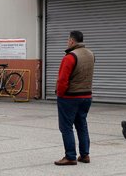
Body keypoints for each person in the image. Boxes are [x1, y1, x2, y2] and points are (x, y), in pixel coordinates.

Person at [54, 30, 95, 166]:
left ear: (71, 41)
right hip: (86, 96)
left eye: (68, 40)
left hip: (70, 97)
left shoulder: (70, 57)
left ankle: (70, 156)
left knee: (66, 127)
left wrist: (60, 94)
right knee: (81, 125)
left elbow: (62, 80)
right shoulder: (91, 54)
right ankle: (85, 155)